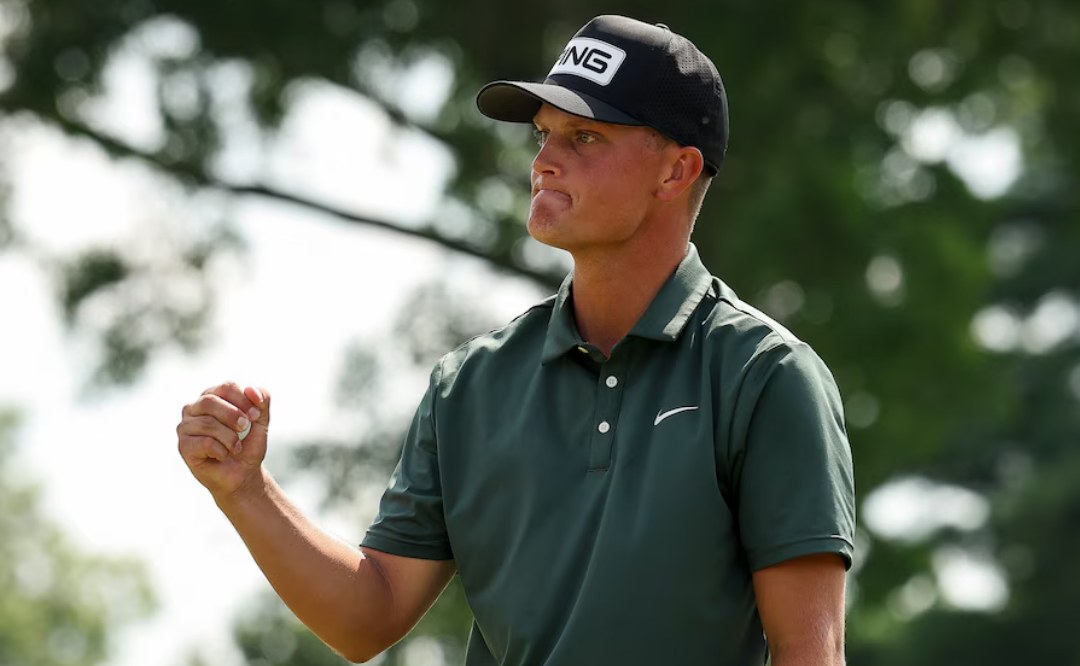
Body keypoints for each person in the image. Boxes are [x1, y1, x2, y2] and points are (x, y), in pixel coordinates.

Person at [176, 14, 855, 666]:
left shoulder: (765, 376)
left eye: (584, 138)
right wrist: (246, 490)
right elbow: (367, 617)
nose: (545, 162)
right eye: (543, 135)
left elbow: (810, 652)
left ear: (675, 172)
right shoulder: (470, 384)